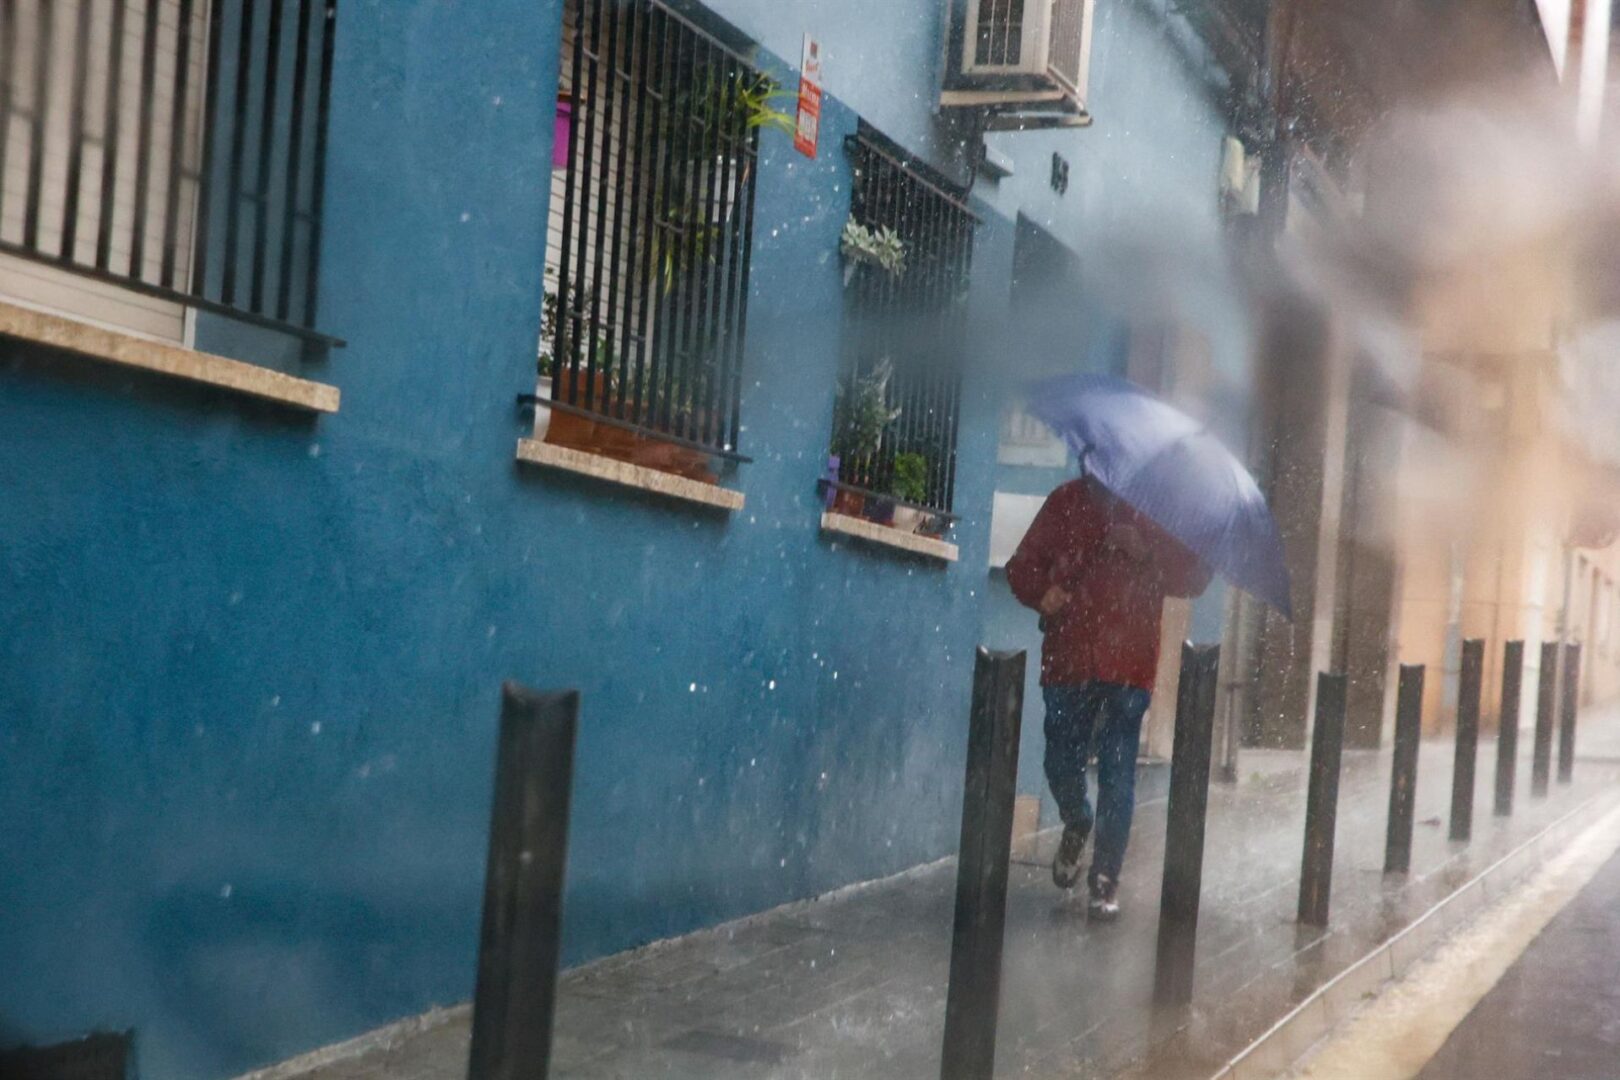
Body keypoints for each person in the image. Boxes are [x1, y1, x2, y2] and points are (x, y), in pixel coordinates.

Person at [1006, 475, 1211, 920]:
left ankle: (1105, 878)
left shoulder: (1160, 508)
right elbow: (1020, 567)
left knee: (1119, 774)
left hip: (1129, 663)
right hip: (1069, 658)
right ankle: (1077, 818)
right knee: (1060, 761)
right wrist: (1044, 593)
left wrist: (1148, 552)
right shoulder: (1066, 501)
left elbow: (1195, 577)